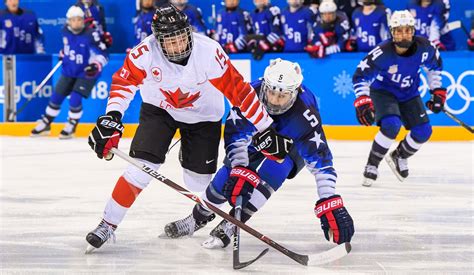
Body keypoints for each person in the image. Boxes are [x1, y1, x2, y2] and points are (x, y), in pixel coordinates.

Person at [85, 4, 291, 251]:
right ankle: (108, 224)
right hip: (159, 111)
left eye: (182, 38)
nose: (178, 46)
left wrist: (266, 128)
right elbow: (124, 83)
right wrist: (112, 117)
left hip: (203, 118)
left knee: (198, 185)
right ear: (158, 40)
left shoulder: (209, 52)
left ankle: (197, 218)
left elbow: (241, 93)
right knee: (140, 169)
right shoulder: (144, 52)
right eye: (170, 41)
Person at [163, 58, 354, 249]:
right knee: (226, 179)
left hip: (289, 146)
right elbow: (236, 135)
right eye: (271, 93)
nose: (275, 101)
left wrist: (329, 198)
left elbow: (321, 162)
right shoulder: (248, 94)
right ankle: (196, 218)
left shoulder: (305, 114)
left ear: (294, 92)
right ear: (264, 84)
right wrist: (240, 168)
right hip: (256, 138)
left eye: (283, 96)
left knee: (274, 172)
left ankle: (231, 224)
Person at [352, 10, 446, 187]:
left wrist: (437, 91)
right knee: (391, 125)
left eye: (407, 30)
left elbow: (434, 68)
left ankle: (399, 156)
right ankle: (372, 163)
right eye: (399, 30)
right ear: (392, 32)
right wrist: (363, 100)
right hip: (383, 93)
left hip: (409, 93)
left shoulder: (426, 47)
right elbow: (360, 76)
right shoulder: (382, 53)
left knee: (424, 131)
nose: (404, 35)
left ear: (413, 30)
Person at [31, 6, 107, 139]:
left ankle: (72, 124)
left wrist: (96, 64)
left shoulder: (91, 34)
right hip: (69, 69)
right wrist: (63, 53)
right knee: (56, 96)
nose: (77, 22)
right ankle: (47, 122)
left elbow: (103, 54)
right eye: (73, 20)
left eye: (79, 19)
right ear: (68, 21)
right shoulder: (65, 31)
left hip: (86, 72)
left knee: (75, 98)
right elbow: (68, 47)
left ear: (83, 20)